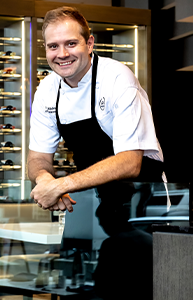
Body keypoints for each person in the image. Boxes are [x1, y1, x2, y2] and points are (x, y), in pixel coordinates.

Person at [28, 6, 164, 212]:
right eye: (53, 46)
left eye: (71, 44)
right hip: (91, 201)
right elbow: (38, 157)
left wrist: (60, 185)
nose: (62, 54)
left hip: (143, 201)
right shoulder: (47, 89)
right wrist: (44, 179)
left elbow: (130, 162)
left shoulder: (117, 78)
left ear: (89, 44)